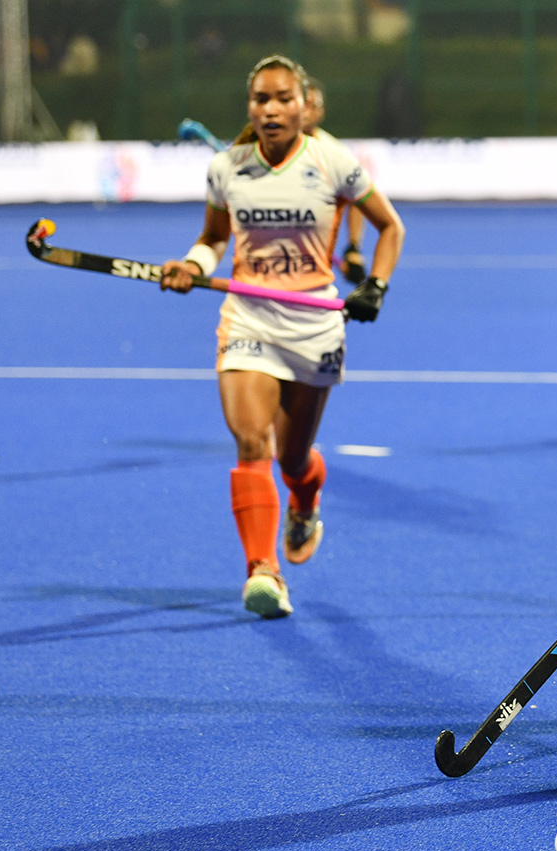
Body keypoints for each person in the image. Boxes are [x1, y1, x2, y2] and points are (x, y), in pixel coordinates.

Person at [160, 54, 405, 618]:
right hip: (248, 316)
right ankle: (262, 571)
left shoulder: (333, 161)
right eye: (261, 100)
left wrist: (376, 284)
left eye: (282, 99)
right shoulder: (228, 167)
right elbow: (212, 239)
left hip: (314, 322)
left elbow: (392, 226)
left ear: (303, 106)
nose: (271, 109)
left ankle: (304, 497)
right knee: (252, 444)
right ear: (250, 106)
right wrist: (193, 266)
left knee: (293, 458)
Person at [303, 78, 369, 286]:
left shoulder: (335, 153)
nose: (308, 111)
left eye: (315, 106)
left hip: (315, 256)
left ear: (322, 112)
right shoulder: (270, 148)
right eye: (304, 103)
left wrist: (353, 247)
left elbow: (358, 197)